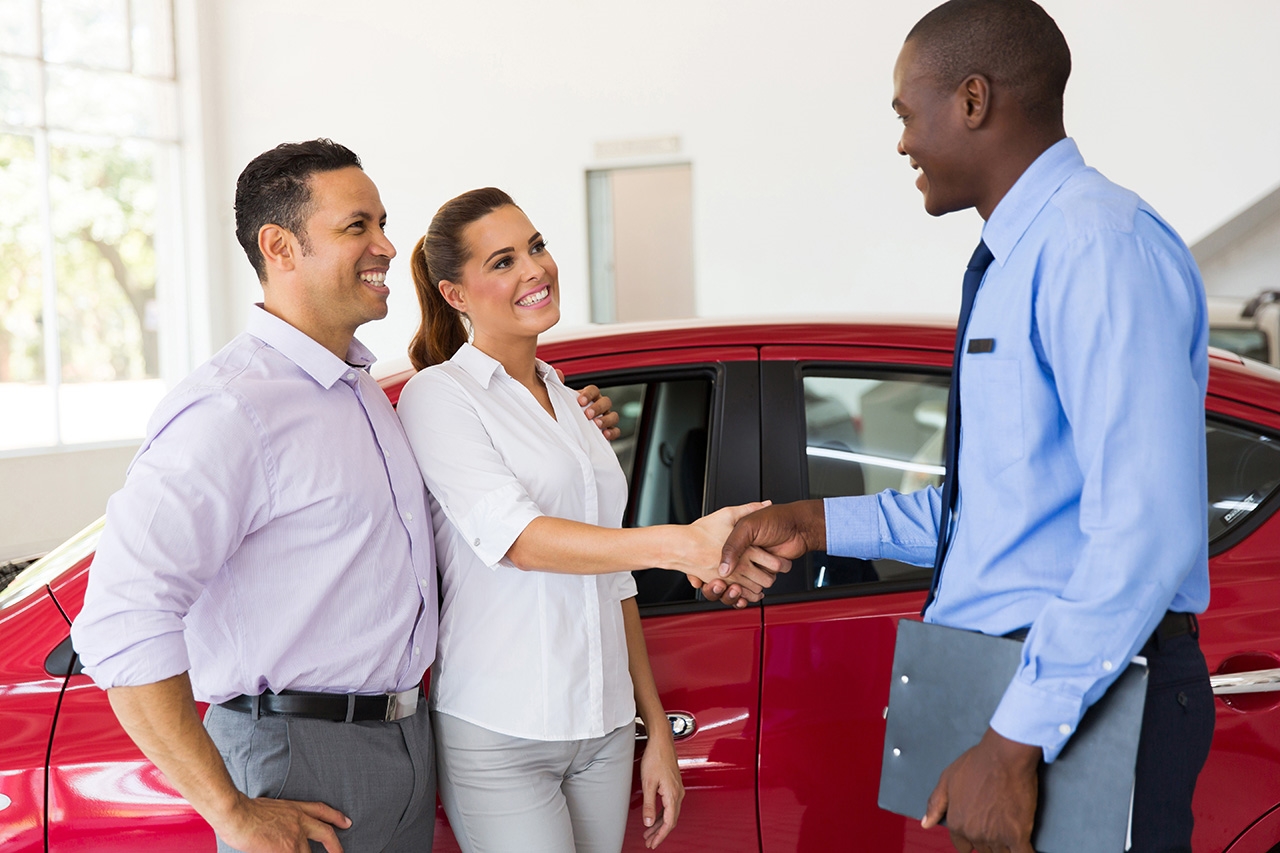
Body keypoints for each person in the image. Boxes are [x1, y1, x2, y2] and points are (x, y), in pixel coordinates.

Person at [715, 2, 1213, 851]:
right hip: (1021, 693)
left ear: (973, 100)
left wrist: (1015, 741)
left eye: (908, 114)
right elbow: (996, 510)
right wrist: (812, 521)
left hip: (1083, 703)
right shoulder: (1022, 257)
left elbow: (1144, 528)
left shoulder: (1095, 247)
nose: (903, 142)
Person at [70, 140, 619, 853]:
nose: (388, 246)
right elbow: (121, 619)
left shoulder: (363, 392)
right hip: (294, 758)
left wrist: (571, 433)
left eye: (383, 222)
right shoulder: (231, 409)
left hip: (404, 739)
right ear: (281, 246)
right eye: (357, 226)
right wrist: (231, 810)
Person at [395, 188, 784, 853]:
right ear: (456, 293)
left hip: (603, 726)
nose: (534, 270)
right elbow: (520, 540)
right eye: (503, 261)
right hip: (502, 729)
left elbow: (615, 579)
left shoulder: (572, 403)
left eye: (537, 247)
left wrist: (653, 725)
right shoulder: (438, 397)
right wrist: (682, 544)